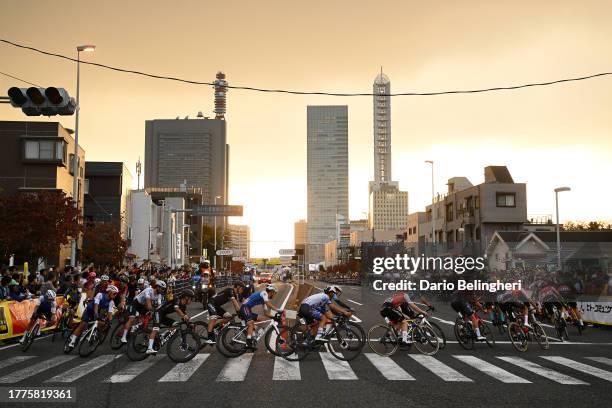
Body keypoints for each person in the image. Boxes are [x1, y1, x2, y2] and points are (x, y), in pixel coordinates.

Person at [66, 285, 119, 349]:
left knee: (103, 323)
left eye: (116, 294)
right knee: (82, 325)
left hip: (97, 312)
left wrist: (110, 321)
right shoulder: (100, 295)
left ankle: (94, 334)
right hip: (90, 309)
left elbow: (110, 312)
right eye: (114, 293)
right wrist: (96, 314)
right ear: (109, 292)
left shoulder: (111, 302)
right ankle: (72, 340)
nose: (115, 295)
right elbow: (96, 305)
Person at [238, 284, 283, 350]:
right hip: (245, 307)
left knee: (263, 318)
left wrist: (273, 317)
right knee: (250, 323)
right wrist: (278, 310)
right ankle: (248, 343)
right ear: (272, 292)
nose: (274, 295)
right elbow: (268, 304)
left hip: (247, 309)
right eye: (275, 293)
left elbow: (266, 313)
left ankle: (253, 334)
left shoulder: (264, 300)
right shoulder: (264, 293)